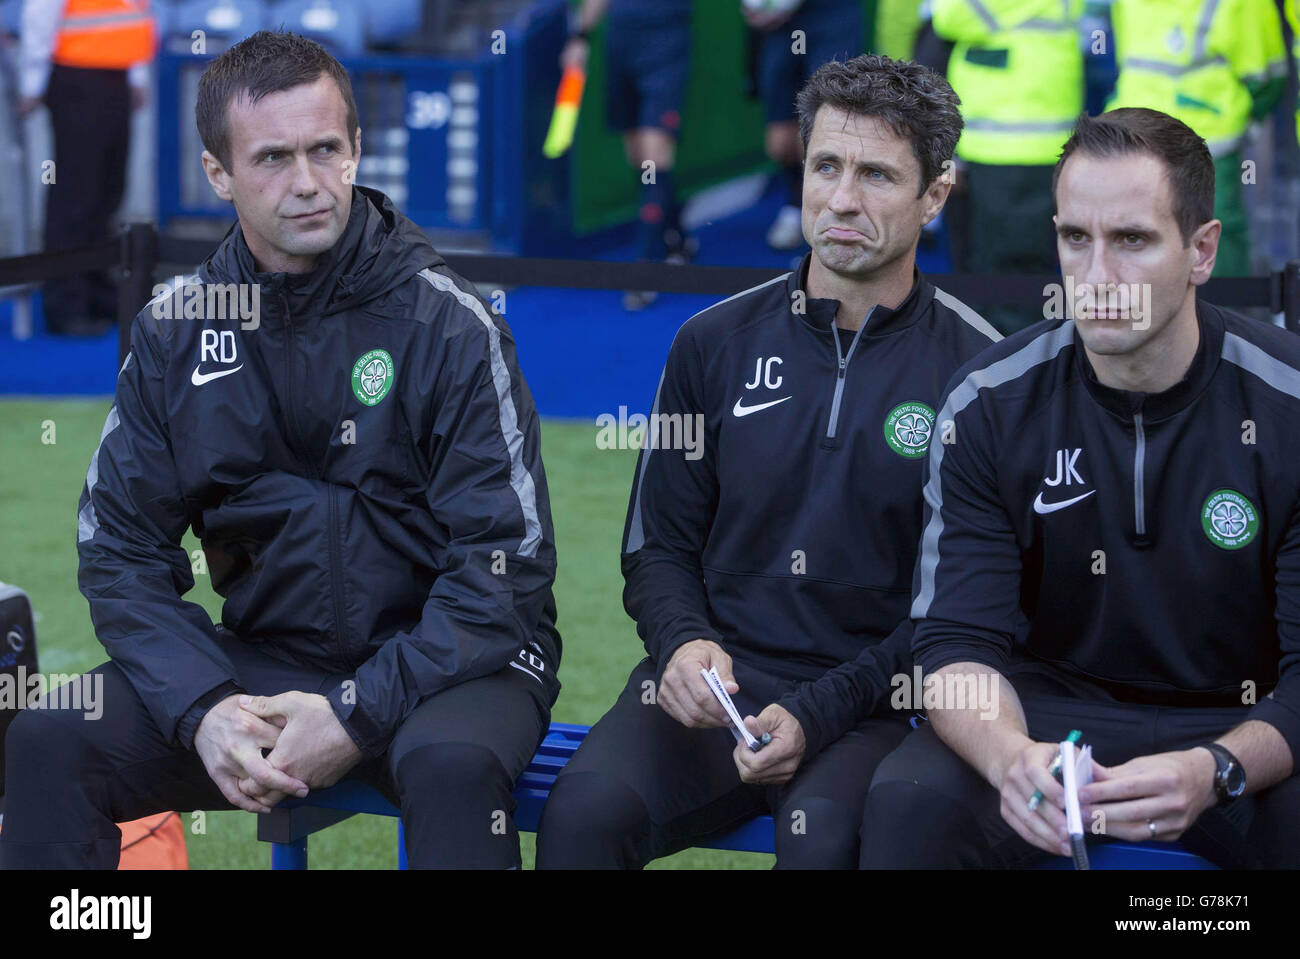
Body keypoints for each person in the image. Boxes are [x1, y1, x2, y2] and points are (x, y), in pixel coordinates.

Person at [0, 30, 561, 870]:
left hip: (454, 662)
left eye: (325, 148)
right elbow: (118, 550)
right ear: (217, 172)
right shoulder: (176, 331)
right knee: (50, 739)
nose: (307, 182)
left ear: (356, 147)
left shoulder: (447, 321)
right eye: (271, 158)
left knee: (450, 766)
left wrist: (357, 711)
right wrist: (203, 706)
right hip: (269, 656)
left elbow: (504, 566)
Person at [536, 54, 1001, 869]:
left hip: (878, 707)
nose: (843, 199)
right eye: (826, 166)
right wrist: (681, 643)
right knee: (582, 816)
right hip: (718, 690)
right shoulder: (712, 342)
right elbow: (658, 546)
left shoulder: (983, 376)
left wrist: (818, 711)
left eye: (877, 175)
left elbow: (960, 614)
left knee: (822, 840)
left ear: (936, 195)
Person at [859, 108, 1300, 869]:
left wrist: (1218, 768)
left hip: (1240, 722)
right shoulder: (990, 403)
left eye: (1131, 240)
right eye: (1075, 238)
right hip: (1048, 718)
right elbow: (955, 644)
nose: (1096, 278)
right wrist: (1009, 757)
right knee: (909, 804)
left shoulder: (1287, 405)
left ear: (1201, 250)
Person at [927, 0, 1084, 335]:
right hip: (1017, 142)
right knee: (1001, 273)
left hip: (1011, 145)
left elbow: (950, 15)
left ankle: (1017, 360)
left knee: (1009, 283)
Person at [1106, 0, 1287, 276]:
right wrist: (1244, 118)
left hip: (1182, 142)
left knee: (1179, 235)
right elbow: (1267, 78)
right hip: (1183, 138)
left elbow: (1269, 77)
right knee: (1211, 238)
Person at [18, 0, 155, 336]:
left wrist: (136, 73)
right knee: (75, 195)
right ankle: (65, 303)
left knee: (108, 191)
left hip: (115, 74)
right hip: (76, 76)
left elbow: (134, 12)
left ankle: (96, 291)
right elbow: (41, 12)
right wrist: (32, 82)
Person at [562, 0, 695, 310]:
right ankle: (677, 239)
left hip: (667, 42)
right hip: (622, 45)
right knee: (639, 158)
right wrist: (579, 37)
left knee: (654, 159)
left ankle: (644, 268)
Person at [746, 0, 865, 251]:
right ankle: (796, 201)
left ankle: (832, 215)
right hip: (782, 27)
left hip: (833, 14)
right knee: (779, 144)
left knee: (825, 127)